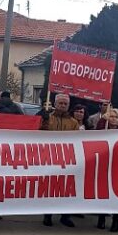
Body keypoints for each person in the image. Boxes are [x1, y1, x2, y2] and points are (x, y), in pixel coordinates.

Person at [40, 93, 79, 227]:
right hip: (49, 158)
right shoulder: (47, 118)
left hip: (67, 159)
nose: (62, 106)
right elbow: (37, 135)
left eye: (65, 104)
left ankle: (65, 215)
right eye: (60, 103)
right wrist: (43, 123)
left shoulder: (74, 123)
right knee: (50, 187)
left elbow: (77, 140)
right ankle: (48, 215)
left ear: (68, 106)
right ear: (55, 104)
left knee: (66, 189)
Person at [94, 108, 118, 232]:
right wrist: (102, 120)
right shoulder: (103, 130)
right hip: (103, 166)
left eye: (116, 117)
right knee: (103, 193)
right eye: (111, 116)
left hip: (117, 167)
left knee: (116, 194)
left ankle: (116, 219)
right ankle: (102, 218)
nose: (114, 119)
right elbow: (96, 134)